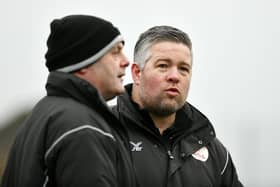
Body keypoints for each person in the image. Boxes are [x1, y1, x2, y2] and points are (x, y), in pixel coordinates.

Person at [1, 15, 138, 187]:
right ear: (84, 62)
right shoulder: (82, 125)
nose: (126, 61)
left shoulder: (44, 114)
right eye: (115, 52)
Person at [112, 26, 243, 186]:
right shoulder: (102, 132)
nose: (175, 76)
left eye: (183, 69)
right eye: (163, 66)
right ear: (137, 73)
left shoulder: (212, 149)